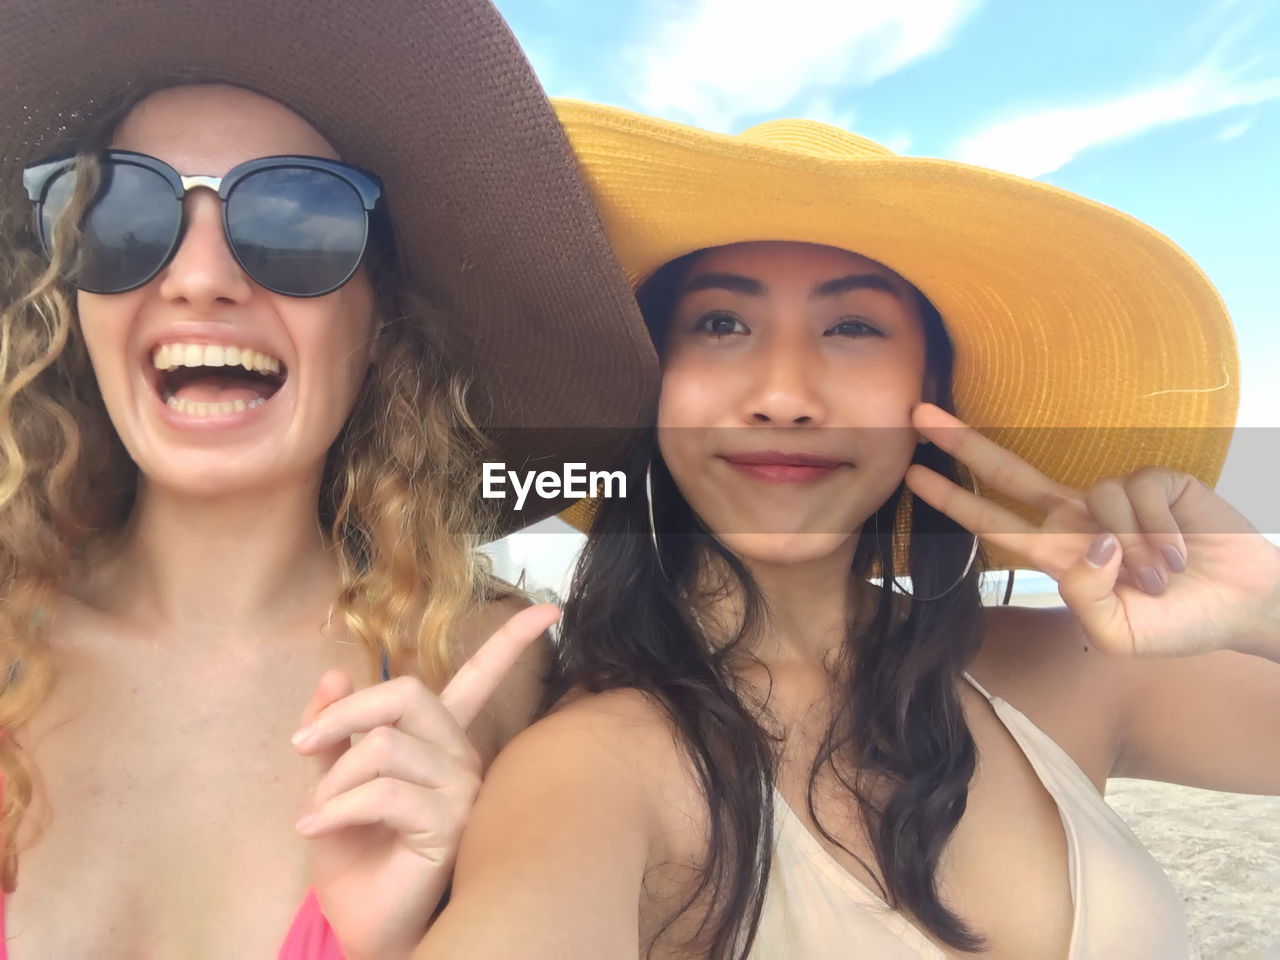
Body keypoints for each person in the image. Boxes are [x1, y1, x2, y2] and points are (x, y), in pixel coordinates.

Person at [415, 102, 1280, 959]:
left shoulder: (1076, 671)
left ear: (929, 393)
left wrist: (1262, 603)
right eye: (721, 324)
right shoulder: (593, 767)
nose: (784, 395)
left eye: (853, 327)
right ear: (655, 385)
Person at [0, 5, 656, 957]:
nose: (199, 278)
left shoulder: (500, 683)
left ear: (383, 318)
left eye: (294, 218)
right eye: (122, 216)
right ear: (69, 293)